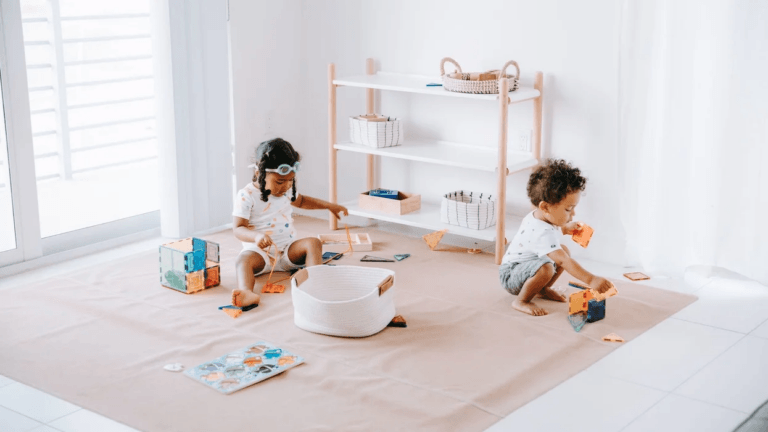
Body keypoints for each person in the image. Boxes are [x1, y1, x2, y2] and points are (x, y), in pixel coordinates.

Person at [231, 138, 348, 307]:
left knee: (313, 243)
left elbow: (302, 201)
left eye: (290, 181)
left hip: (287, 250)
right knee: (242, 261)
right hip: (260, 253)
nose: (286, 186)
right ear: (259, 174)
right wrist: (256, 236)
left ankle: (315, 282)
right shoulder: (246, 195)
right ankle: (247, 292)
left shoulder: (286, 191)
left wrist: (329, 206)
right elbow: (238, 229)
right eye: (280, 181)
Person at [500, 158, 613, 316]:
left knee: (563, 250)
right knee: (549, 266)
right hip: (511, 276)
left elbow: (545, 234)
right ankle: (521, 300)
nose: (573, 214)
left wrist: (564, 228)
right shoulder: (541, 231)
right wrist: (591, 280)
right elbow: (562, 260)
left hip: (522, 268)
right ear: (545, 207)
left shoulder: (539, 217)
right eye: (568, 209)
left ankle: (542, 289)